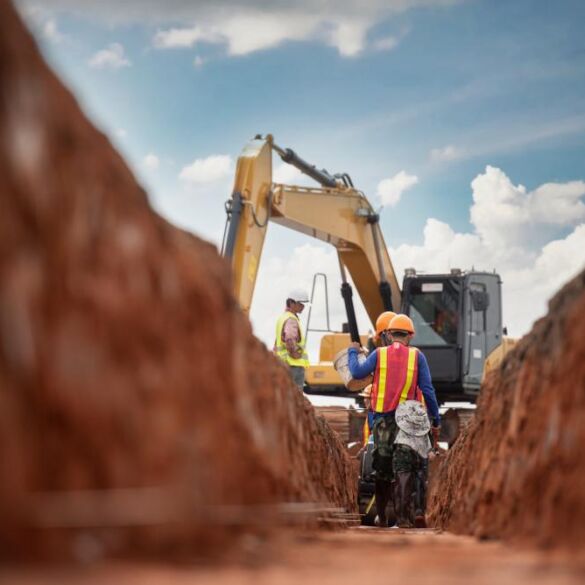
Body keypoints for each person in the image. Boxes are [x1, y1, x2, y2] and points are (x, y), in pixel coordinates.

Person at [348, 313, 441, 528]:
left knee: (382, 469)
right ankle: (403, 520)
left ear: (389, 335)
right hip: (408, 422)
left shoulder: (379, 354)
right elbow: (428, 390)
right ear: (409, 336)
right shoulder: (417, 357)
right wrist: (435, 419)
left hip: (383, 422)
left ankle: (381, 516)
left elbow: (356, 371)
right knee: (404, 469)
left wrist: (353, 351)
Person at [273, 289, 310, 390]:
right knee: (295, 398)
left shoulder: (283, 318)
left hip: (284, 364)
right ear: (291, 303)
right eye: (300, 303)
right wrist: (295, 354)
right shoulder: (291, 320)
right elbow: (289, 338)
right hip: (294, 366)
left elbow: (277, 342)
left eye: (303, 304)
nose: (303, 306)